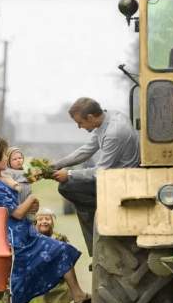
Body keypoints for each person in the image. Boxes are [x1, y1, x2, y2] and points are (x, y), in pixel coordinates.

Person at [0, 137, 91, 303]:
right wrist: (31, 200)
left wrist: (29, 206)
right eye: (4, 155)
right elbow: (17, 213)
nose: (7, 158)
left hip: (25, 233)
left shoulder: (1, 178)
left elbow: (16, 208)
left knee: (62, 250)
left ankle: (78, 295)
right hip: (16, 240)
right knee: (21, 282)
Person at [50, 97, 140, 256]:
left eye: (80, 123)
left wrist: (69, 174)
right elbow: (87, 150)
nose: (79, 127)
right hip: (113, 173)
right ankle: (98, 232)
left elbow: (101, 170)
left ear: (90, 117)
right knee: (70, 185)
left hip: (122, 179)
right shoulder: (108, 118)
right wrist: (58, 164)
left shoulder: (114, 132)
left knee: (68, 187)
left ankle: (101, 227)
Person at [34, 208, 72, 303]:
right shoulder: (33, 238)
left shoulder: (60, 238)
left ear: (53, 221)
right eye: (41, 218)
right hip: (40, 283)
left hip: (58, 283)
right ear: (36, 221)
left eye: (47, 218)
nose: (44, 221)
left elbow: (68, 257)